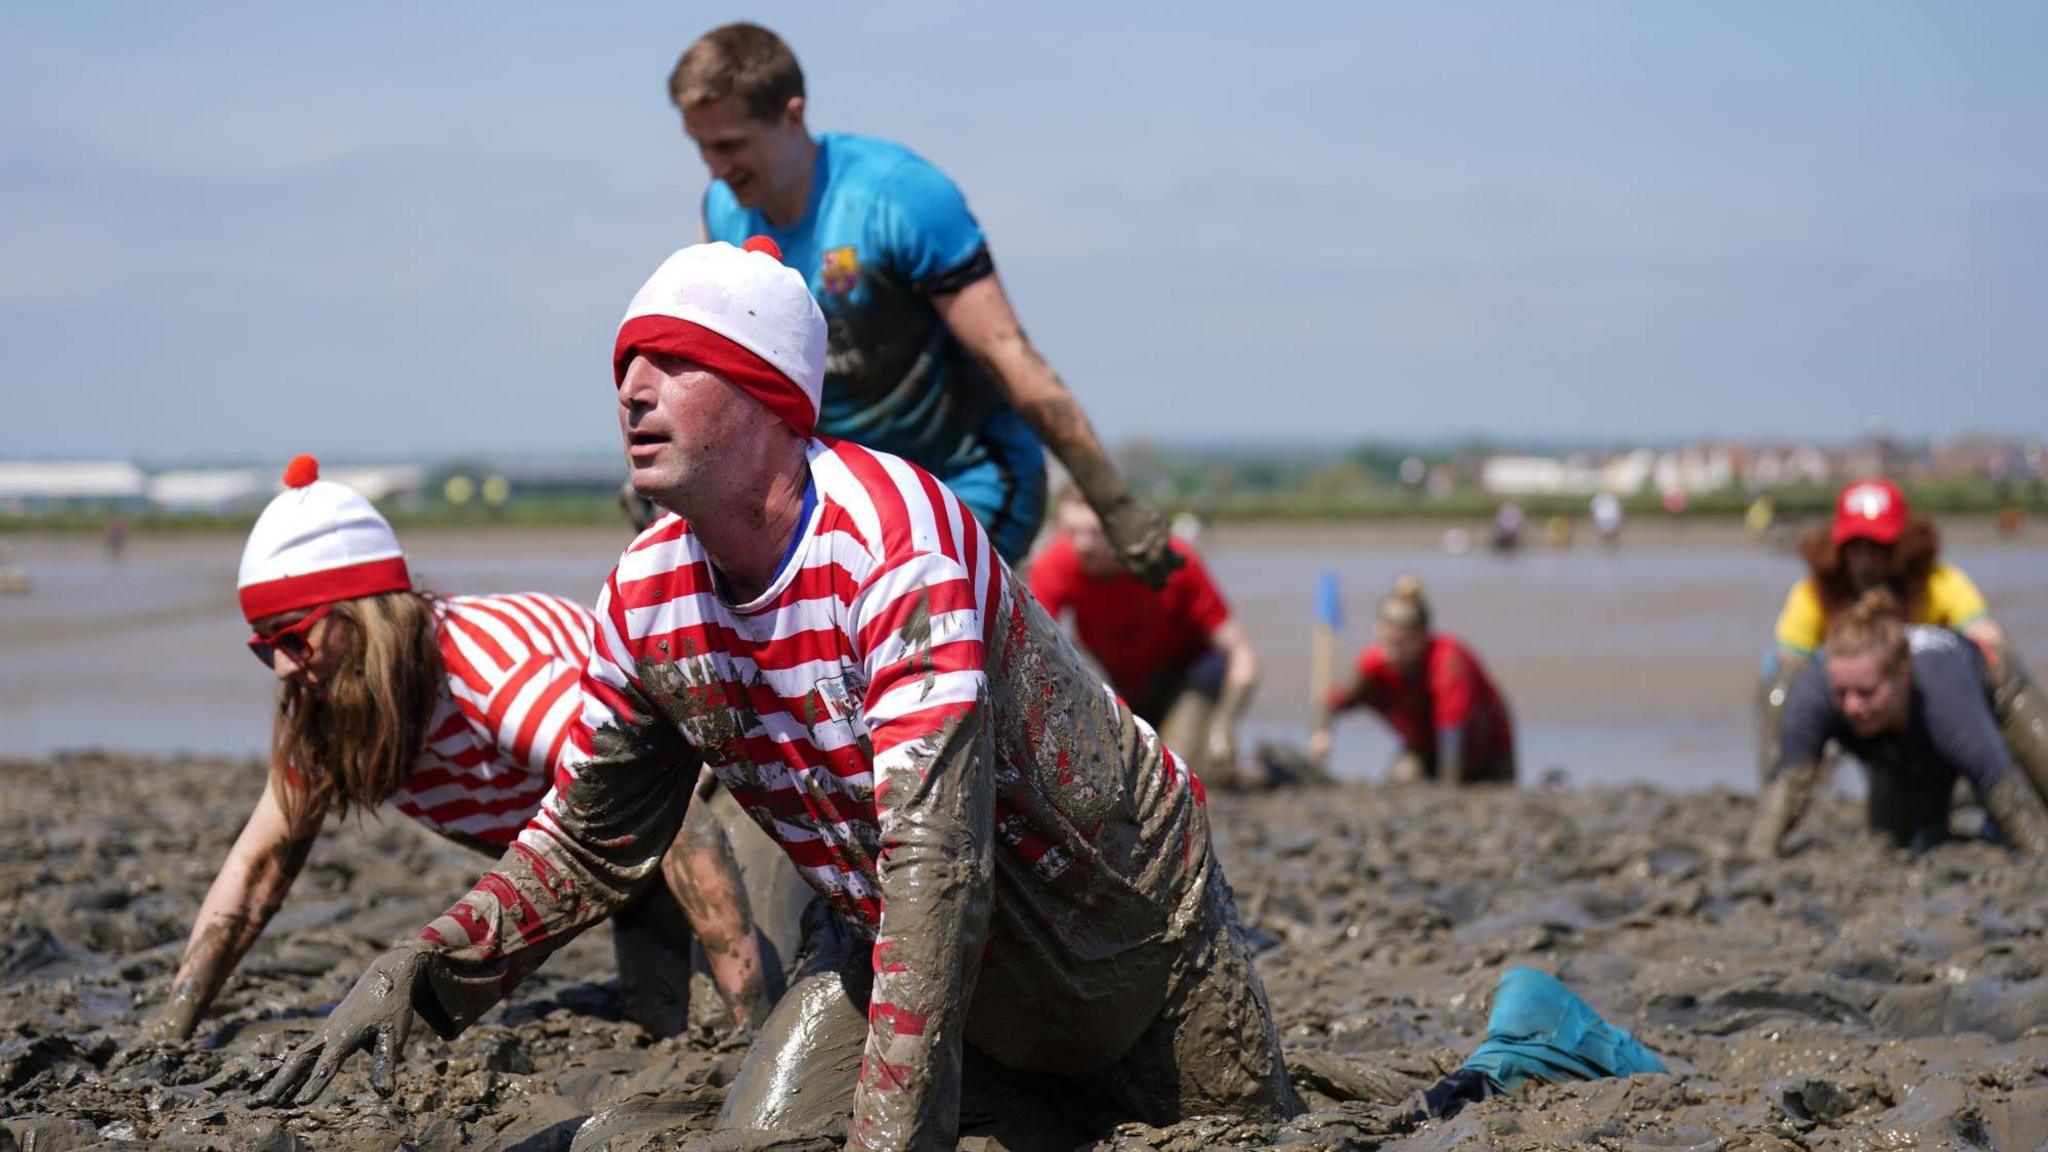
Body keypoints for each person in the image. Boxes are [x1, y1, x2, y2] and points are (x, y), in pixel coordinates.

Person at [257, 239, 1296, 1150]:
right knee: (764, 1134)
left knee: (1247, 1126)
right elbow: (588, 836)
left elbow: (942, 864)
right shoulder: (646, 595)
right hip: (883, 931)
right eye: (623, 366)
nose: (630, 390)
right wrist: (430, 964)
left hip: (1119, 929)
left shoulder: (893, 539)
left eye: (670, 363)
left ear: (763, 395)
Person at [149, 457, 771, 1044]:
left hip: (722, 795)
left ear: (366, 613)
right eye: (264, 647)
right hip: (622, 859)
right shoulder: (331, 711)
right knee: (663, 1018)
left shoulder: (483, 674)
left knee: (733, 1024)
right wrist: (173, 1027)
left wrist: (746, 1014)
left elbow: (684, 819)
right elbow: (259, 870)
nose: (283, 666)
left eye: (294, 636)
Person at [668, 23, 1178, 579]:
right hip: (844, 490)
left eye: (730, 145)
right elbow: (724, 366)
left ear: (793, 115)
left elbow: (1007, 352)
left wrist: (1113, 504)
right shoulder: (722, 212)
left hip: (968, 477)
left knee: (924, 627)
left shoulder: (901, 198)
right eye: (701, 147)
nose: (715, 168)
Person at [1756, 478, 2044, 795]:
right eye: (1856, 547)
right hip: (1878, 727)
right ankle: (1778, 787)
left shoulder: (1937, 583)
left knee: (2003, 666)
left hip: (1934, 709)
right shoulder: (1815, 595)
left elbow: (1987, 636)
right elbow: (1787, 664)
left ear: (1902, 548)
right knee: (1778, 680)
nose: (1866, 562)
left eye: (1878, 548)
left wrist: (1980, 658)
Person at [1747, 589, 2048, 859]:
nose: (1851, 706)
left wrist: (2037, 852)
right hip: (1896, 741)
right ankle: (1961, 800)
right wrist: (1760, 852)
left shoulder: (1946, 698)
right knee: (1899, 840)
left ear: (1902, 675)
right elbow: (1787, 784)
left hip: (1997, 688)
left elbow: (2004, 789)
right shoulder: (1817, 693)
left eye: (1866, 693)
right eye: (1842, 693)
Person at [1027, 485, 1260, 787]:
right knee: (1117, 774)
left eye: (1096, 533)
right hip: (1123, 681)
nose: (1083, 545)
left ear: (1124, 530)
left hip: (1189, 676)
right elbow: (1033, 649)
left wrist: (1224, 725)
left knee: (1173, 776)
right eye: (1072, 532)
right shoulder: (1057, 563)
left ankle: (1239, 766)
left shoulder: (1173, 561)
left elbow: (1243, 654)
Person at [1309, 577, 1515, 786]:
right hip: (1424, 748)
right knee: (1402, 776)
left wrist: (1449, 788)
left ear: (1422, 637)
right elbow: (1337, 701)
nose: (1393, 653)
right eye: (1387, 641)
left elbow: (1452, 733)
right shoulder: (1373, 664)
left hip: (1484, 747)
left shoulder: (1447, 662)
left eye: (1402, 644)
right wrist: (1322, 734)